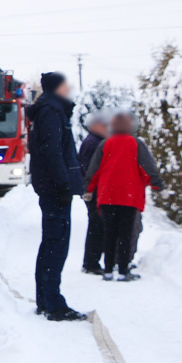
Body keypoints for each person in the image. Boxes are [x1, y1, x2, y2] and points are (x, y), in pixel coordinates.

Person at [26, 72, 88, 321]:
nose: (69, 88)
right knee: (56, 244)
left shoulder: (50, 110)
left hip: (51, 187)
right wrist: (63, 183)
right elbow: (52, 151)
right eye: (66, 85)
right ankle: (53, 304)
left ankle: (46, 300)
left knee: (51, 242)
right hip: (54, 188)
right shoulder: (52, 112)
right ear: (57, 88)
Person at [84, 112, 165, 282]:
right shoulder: (136, 144)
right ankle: (122, 270)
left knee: (109, 232)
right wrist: (159, 187)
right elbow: (148, 168)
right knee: (125, 234)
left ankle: (107, 271)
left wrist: (89, 189)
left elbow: (94, 169)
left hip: (107, 196)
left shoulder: (105, 144)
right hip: (129, 196)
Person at [78, 113, 109, 274]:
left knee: (97, 226)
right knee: (96, 226)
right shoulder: (94, 143)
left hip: (93, 190)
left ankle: (92, 261)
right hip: (94, 192)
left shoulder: (93, 141)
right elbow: (91, 169)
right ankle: (91, 263)